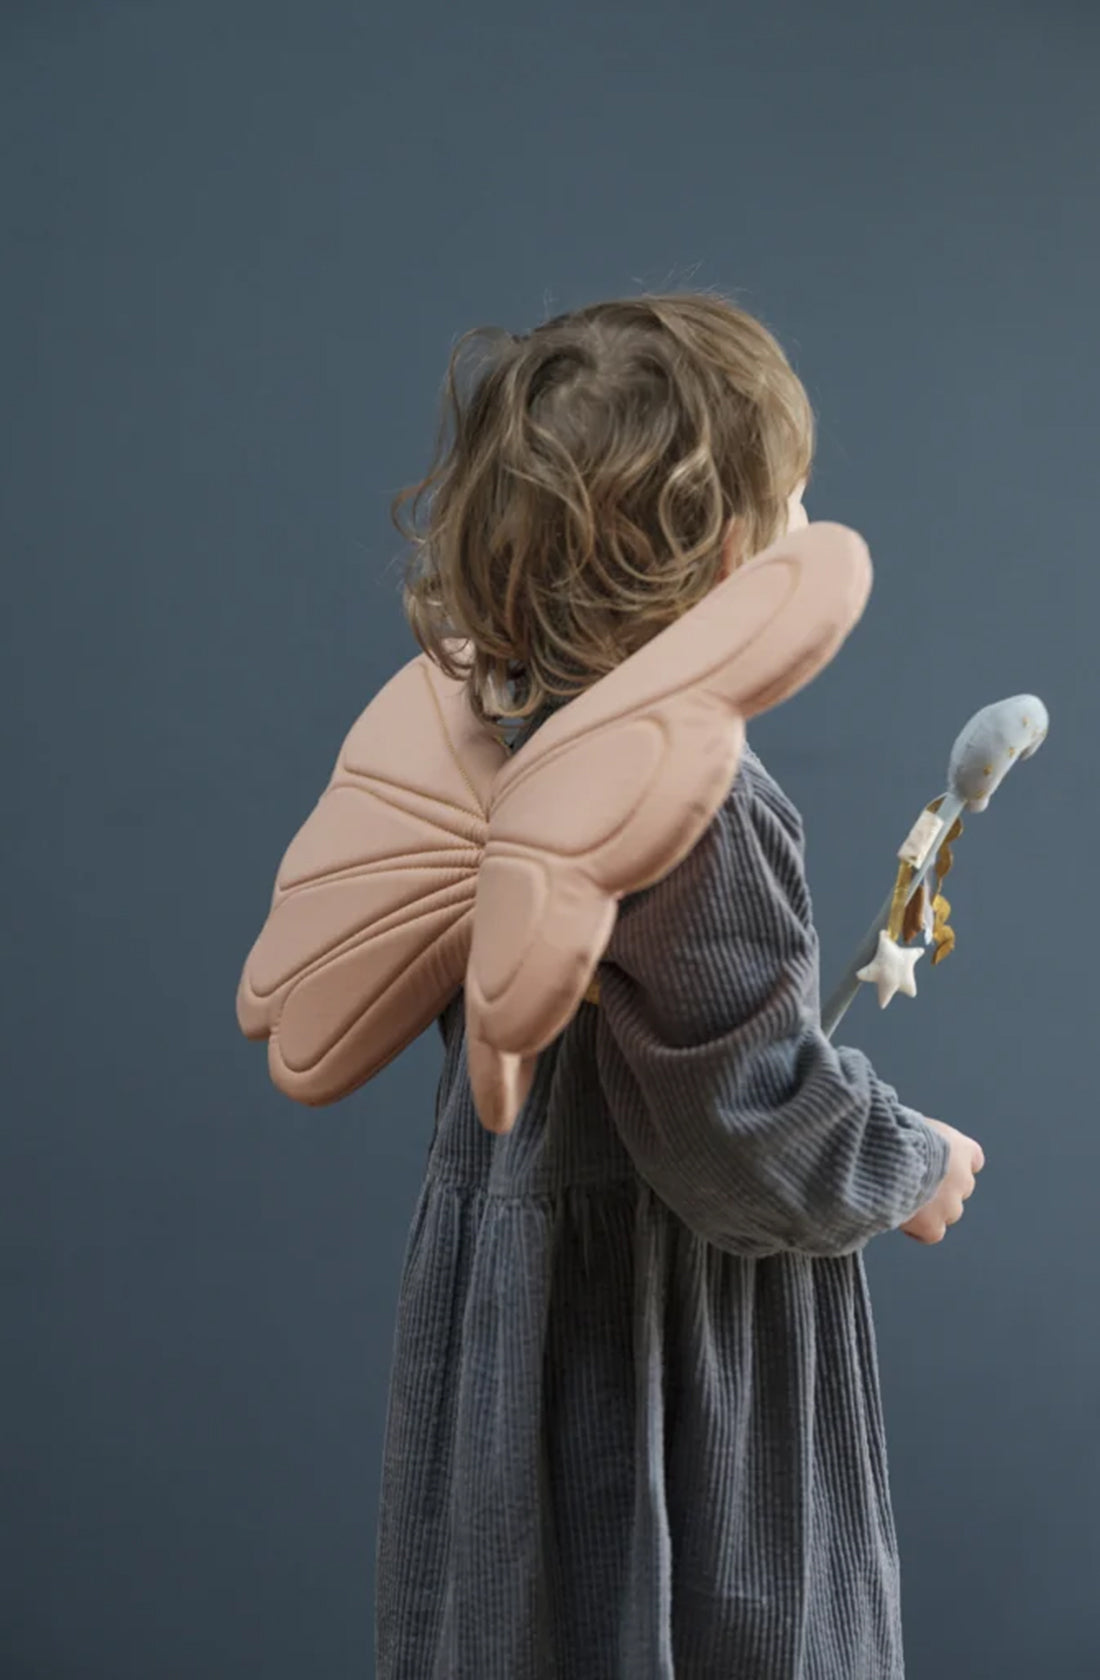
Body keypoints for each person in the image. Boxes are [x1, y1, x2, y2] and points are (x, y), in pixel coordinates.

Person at [374, 292, 986, 1679]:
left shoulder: (496, 739)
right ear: (728, 562)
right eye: (793, 503)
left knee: (532, 1618)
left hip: (519, 1310)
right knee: (699, 1621)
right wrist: (908, 1163)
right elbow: (747, 1127)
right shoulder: (704, 809)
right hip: (660, 1348)